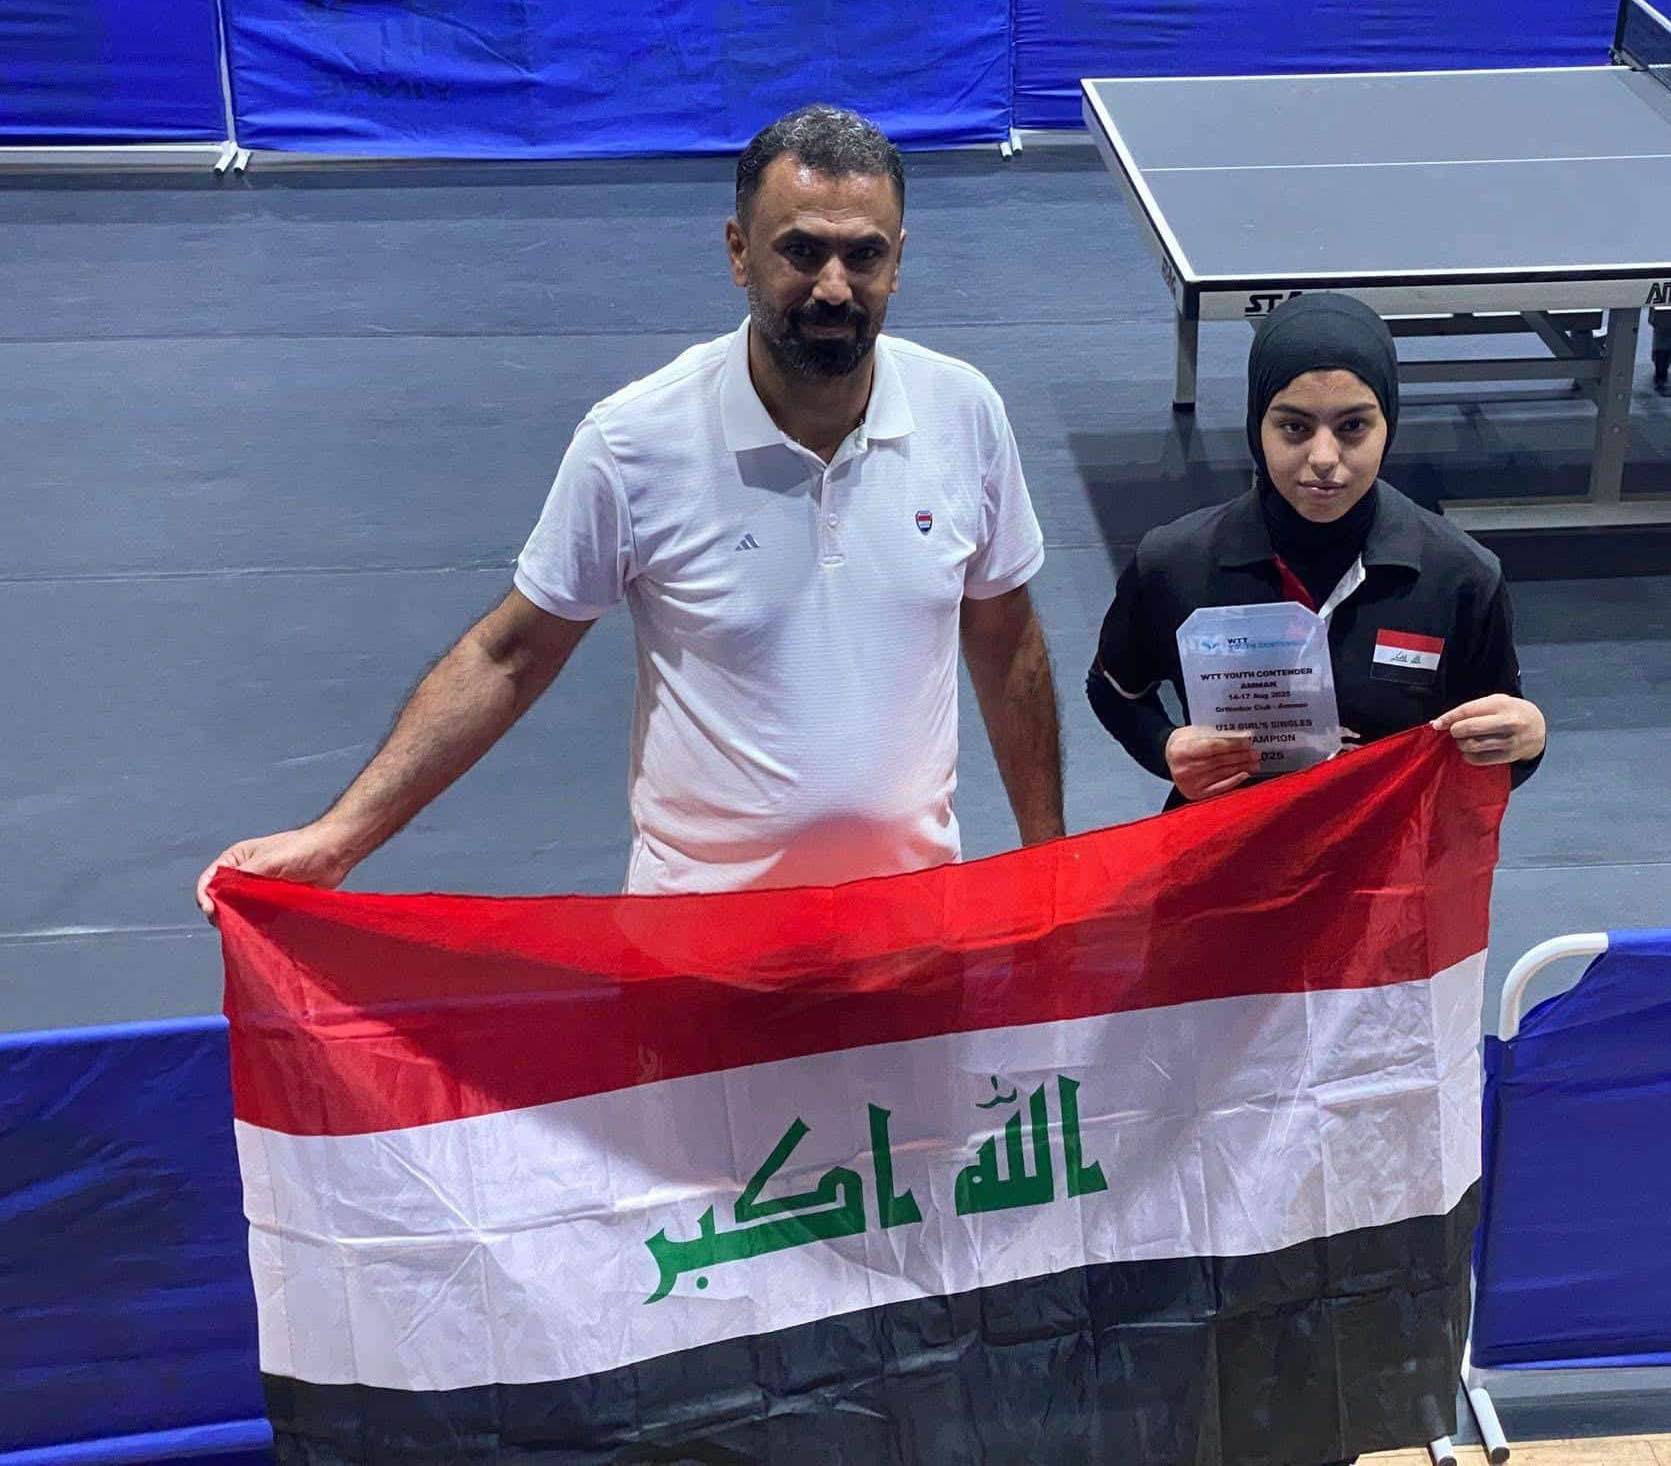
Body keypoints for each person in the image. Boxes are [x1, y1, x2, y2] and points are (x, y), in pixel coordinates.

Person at [197, 104, 1062, 915]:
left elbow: (1005, 636)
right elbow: (510, 655)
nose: (834, 287)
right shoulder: (636, 441)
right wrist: (339, 838)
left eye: (864, 255)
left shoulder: (966, 413)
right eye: (801, 251)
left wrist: (1050, 863)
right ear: (739, 252)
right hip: (699, 943)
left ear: (898, 261)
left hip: (912, 929)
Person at [1087, 292, 1543, 808]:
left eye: (1353, 426)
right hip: (1230, 847)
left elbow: (1496, 746)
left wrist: (1528, 742)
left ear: (1388, 425)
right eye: (1295, 427)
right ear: (1257, 425)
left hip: (1389, 853)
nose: (1324, 457)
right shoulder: (1175, 564)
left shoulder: (1460, 577)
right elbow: (1112, 691)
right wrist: (1164, 746)